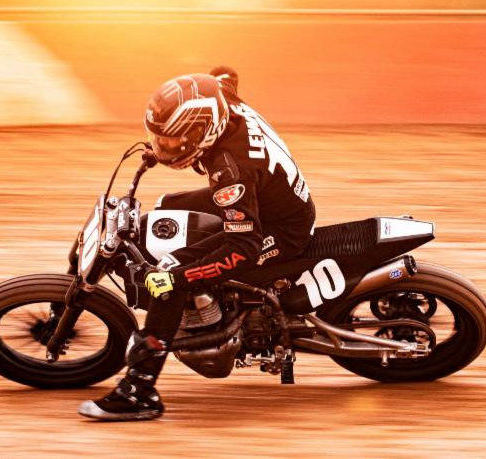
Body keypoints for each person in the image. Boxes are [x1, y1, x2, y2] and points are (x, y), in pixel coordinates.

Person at [78, 67, 316, 421]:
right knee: (167, 206)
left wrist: (179, 277)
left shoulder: (229, 171)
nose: (165, 150)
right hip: (267, 198)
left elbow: (245, 247)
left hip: (279, 230)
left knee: (166, 277)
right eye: (160, 139)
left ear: (207, 132)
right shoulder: (222, 99)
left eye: (174, 142)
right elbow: (225, 75)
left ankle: (140, 391)